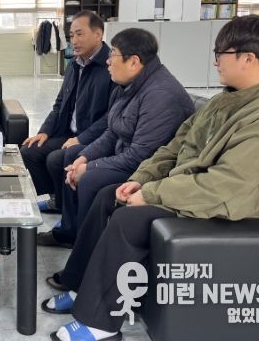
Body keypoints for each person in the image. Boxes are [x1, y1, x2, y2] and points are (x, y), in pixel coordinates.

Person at [43, 15, 259, 341]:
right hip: (196, 188)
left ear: (249, 58)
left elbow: (229, 187)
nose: (215, 61)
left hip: (237, 208)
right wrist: (142, 179)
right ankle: (80, 285)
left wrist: (153, 194)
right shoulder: (225, 100)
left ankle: (100, 323)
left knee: (128, 220)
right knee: (108, 196)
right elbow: (175, 146)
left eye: (221, 53)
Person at [37, 28, 194, 248]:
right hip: (127, 154)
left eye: (113, 54)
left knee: (90, 178)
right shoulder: (128, 86)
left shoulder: (160, 95)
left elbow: (141, 155)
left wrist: (90, 167)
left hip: (148, 168)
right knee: (72, 155)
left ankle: (88, 249)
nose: (108, 61)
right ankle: (71, 232)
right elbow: (112, 132)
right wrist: (84, 157)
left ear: (134, 62)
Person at [21, 11, 114, 214]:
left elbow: (112, 116)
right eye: (72, 35)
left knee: (56, 159)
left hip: (96, 138)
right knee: (29, 150)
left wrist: (81, 138)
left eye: (80, 34)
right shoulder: (74, 64)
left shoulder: (111, 66)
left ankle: (69, 207)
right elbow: (60, 103)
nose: (74, 41)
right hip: (68, 133)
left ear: (98, 34)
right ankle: (57, 198)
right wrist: (45, 131)